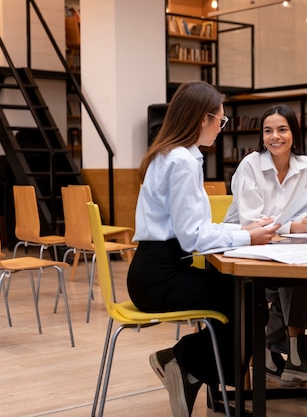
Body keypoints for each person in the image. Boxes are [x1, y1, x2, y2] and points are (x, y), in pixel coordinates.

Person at [127, 80, 280, 417]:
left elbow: (195, 228)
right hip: (160, 277)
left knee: (244, 297)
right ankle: (185, 363)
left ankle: (183, 364)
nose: (221, 129)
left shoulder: (171, 154)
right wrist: (249, 237)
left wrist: (243, 229)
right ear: (202, 119)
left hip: (154, 271)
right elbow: (192, 238)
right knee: (248, 302)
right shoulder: (182, 161)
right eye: (221, 121)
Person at [224, 104, 307, 385]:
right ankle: (286, 355)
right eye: (268, 130)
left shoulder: (306, 165)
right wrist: (295, 226)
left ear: (293, 134)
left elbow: (305, 210)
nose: (275, 136)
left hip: (284, 245)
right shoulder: (250, 164)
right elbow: (253, 222)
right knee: (292, 276)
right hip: (247, 248)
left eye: (282, 129)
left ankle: (285, 354)